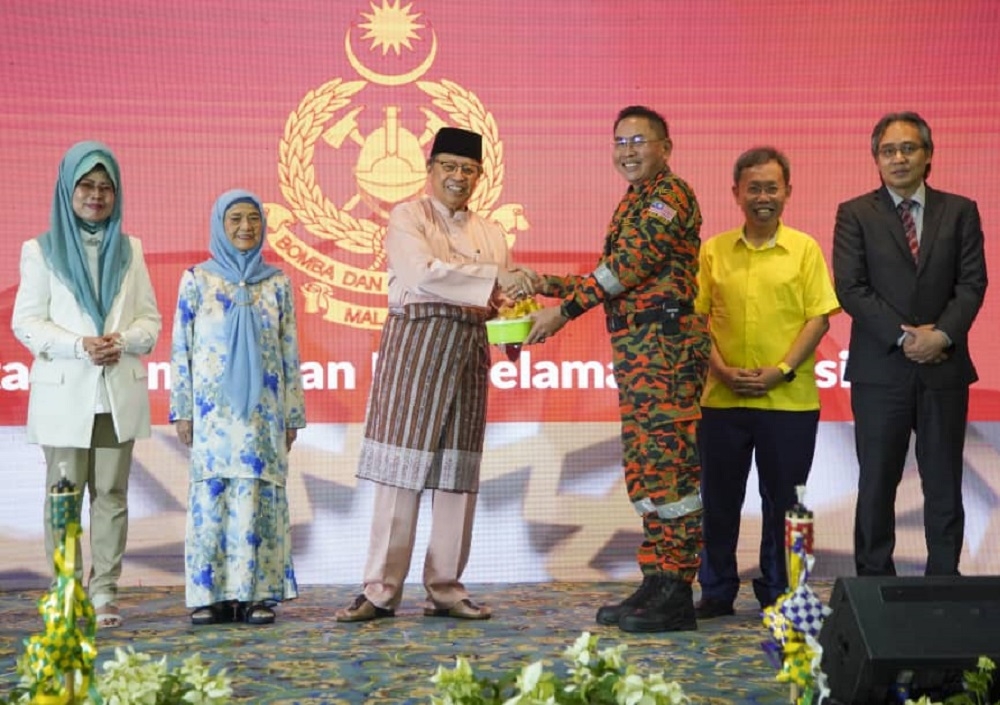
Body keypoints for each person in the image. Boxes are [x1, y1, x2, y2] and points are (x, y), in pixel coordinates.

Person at [525, 106, 710, 632]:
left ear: (665, 147)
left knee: (670, 470)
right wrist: (543, 283)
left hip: (667, 349)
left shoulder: (669, 196)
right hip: (639, 351)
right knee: (647, 469)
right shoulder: (634, 200)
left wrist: (563, 310)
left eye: (639, 140)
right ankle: (656, 581)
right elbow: (614, 275)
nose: (627, 150)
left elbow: (629, 266)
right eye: (619, 141)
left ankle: (677, 589)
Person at [335, 127, 530, 623]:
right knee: (400, 473)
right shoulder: (408, 216)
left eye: (468, 169)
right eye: (448, 166)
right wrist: (492, 281)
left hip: (466, 352)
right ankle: (379, 591)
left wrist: (516, 324)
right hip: (416, 352)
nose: (458, 177)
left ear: (480, 176)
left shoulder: (491, 231)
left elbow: (504, 297)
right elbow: (420, 274)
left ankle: (446, 587)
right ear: (430, 170)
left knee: (456, 478)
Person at [11, 141, 161, 629]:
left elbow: (150, 321)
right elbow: (26, 322)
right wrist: (80, 345)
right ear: (67, 190)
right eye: (86, 186)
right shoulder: (40, 250)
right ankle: (66, 591)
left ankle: (104, 593)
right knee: (64, 493)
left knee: (112, 496)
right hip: (65, 392)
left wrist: (124, 339)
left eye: (105, 187)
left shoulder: (130, 247)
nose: (96, 196)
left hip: (116, 390)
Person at [833, 112, 987, 577]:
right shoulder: (855, 213)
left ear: (928, 155)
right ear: (876, 159)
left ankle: (944, 580)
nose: (898, 158)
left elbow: (972, 284)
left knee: (944, 482)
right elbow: (851, 288)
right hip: (880, 372)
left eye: (908, 148)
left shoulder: (960, 210)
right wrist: (905, 338)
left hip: (944, 368)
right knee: (878, 481)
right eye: (888, 150)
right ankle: (874, 584)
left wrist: (940, 335)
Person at [694, 147, 840, 619]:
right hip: (721, 398)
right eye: (753, 188)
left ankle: (781, 588)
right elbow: (697, 321)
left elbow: (819, 319)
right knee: (719, 501)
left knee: (785, 503)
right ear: (736, 192)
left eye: (771, 188)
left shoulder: (805, 248)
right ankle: (716, 588)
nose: (763, 197)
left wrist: (782, 370)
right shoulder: (713, 250)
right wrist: (719, 369)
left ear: (788, 193)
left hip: (790, 400)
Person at [169, 189, 307, 626]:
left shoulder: (276, 282)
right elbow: (181, 349)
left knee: (257, 499)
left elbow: (289, 352)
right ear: (220, 226)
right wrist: (182, 410)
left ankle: (256, 596)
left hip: (263, 416)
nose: (245, 227)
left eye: (252, 218)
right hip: (213, 415)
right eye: (235, 219)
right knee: (212, 499)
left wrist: (292, 415)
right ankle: (210, 597)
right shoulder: (197, 279)